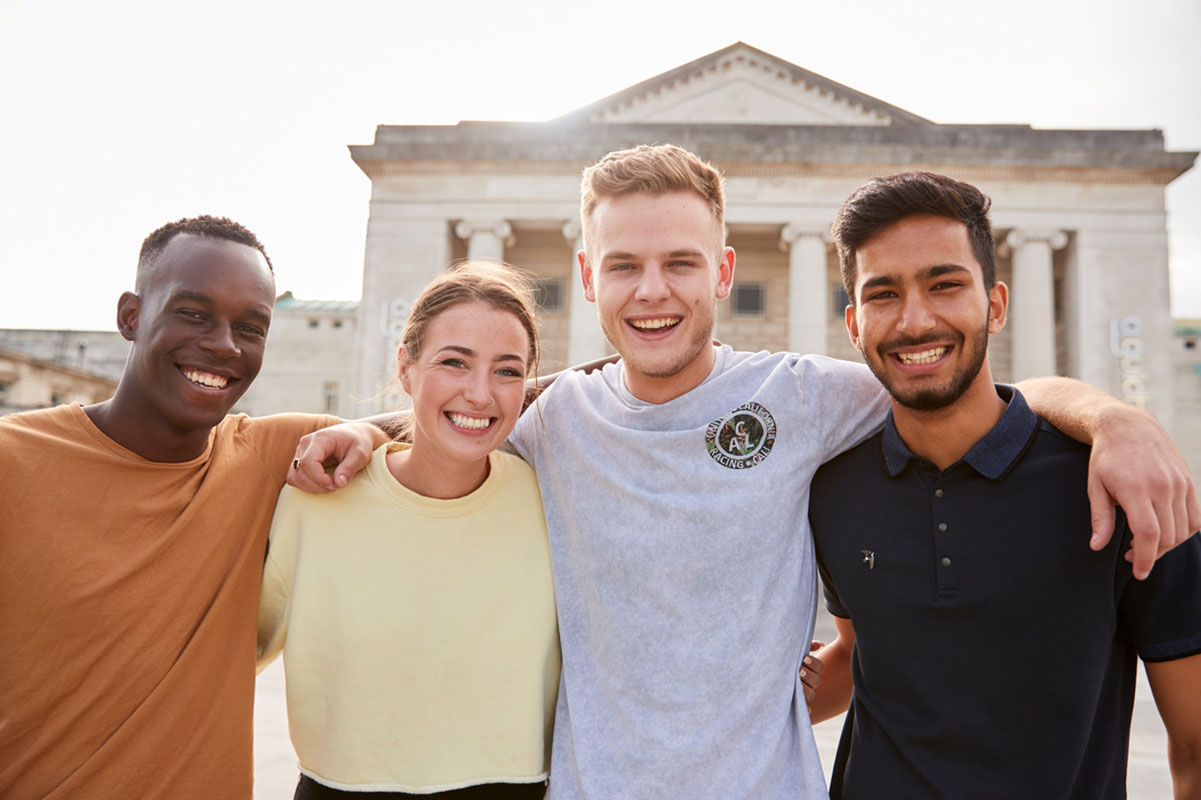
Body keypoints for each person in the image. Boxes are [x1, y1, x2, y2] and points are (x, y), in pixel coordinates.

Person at [290, 145, 1200, 800]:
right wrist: (364, 433)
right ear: (588, 277)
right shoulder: (555, 418)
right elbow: (466, 412)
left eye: (681, 262)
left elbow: (950, 384)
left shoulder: (804, 399)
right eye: (624, 267)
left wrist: (1114, 415)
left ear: (723, 271)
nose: (653, 291)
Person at [808, 171, 1201, 799]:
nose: (915, 321)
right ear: (854, 323)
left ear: (995, 304)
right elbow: (860, 656)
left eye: (945, 285)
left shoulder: (1128, 488)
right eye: (884, 295)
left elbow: (1195, 744)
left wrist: (1113, 416)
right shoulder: (832, 491)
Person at [0, 216, 385, 799]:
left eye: (250, 327)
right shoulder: (14, 461)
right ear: (131, 316)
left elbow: (465, 415)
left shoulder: (269, 455)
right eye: (195, 314)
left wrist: (366, 432)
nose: (225, 344)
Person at [257, 262, 560, 799]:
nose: (480, 394)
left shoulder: (551, 502)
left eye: (508, 371)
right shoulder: (316, 500)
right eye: (454, 362)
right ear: (406, 368)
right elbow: (229, 655)